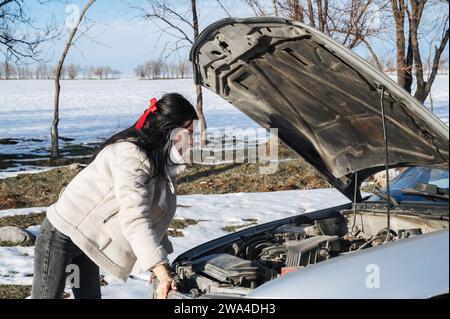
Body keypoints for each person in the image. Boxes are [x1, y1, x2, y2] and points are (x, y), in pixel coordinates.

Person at [31, 93, 198, 299]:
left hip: (89, 238)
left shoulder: (160, 164)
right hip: (61, 234)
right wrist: (159, 268)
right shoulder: (131, 156)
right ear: (170, 131)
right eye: (189, 133)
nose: (192, 140)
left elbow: (154, 220)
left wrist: (158, 267)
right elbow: (135, 218)